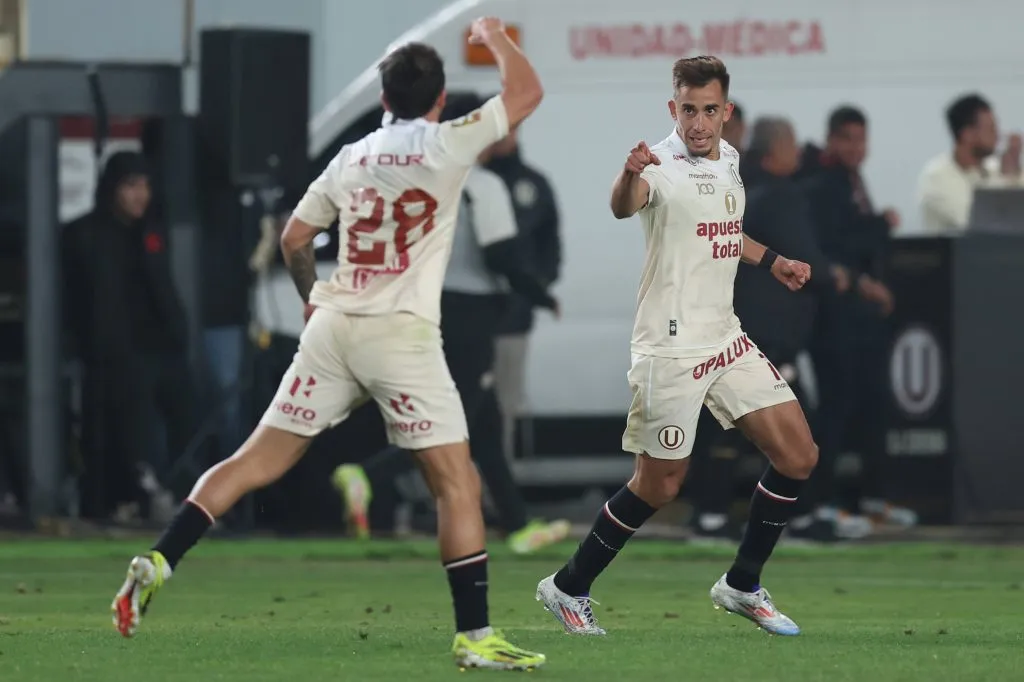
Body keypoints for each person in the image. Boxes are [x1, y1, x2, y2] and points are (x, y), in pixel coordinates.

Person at [111, 20, 548, 670]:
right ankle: (476, 637)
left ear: (382, 99)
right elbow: (527, 92)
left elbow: (293, 238)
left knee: (254, 458)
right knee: (456, 482)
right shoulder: (449, 142)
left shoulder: (353, 156)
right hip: (401, 335)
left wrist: (310, 296)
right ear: (438, 98)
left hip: (333, 325)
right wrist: (494, 34)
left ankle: (159, 557)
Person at [535, 56, 816, 637]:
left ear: (725, 113)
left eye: (709, 110)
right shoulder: (657, 164)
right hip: (670, 348)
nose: (698, 122)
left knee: (798, 454)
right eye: (688, 109)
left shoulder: (731, 160)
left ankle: (741, 584)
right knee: (660, 484)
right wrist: (627, 173)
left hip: (726, 339)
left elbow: (723, 230)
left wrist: (774, 261)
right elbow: (623, 205)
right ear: (673, 108)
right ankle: (567, 586)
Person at [332, 93, 569, 554]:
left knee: (483, 423)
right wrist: (540, 295)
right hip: (470, 313)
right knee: (452, 420)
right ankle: (368, 475)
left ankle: (518, 524)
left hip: (426, 306)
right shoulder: (482, 184)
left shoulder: (420, 177)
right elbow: (502, 255)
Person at [63, 151, 195, 522]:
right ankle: (135, 494)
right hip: (114, 357)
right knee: (130, 419)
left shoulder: (151, 233)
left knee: (190, 408)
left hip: (160, 351)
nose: (141, 195)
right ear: (113, 189)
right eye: (131, 186)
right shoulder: (85, 235)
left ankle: (184, 492)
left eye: (146, 186)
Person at [800, 107, 914, 533]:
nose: (855, 148)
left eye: (861, 139)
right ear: (830, 139)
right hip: (834, 321)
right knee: (836, 411)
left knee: (873, 407)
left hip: (858, 321)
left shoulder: (849, 180)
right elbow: (834, 247)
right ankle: (824, 505)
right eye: (847, 138)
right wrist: (879, 228)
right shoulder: (821, 184)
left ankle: (873, 500)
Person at [483, 121, 562, 462]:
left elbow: (550, 243)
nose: (504, 137)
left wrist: (537, 287)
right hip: (468, 313)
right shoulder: (469, 182)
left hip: (513, 317)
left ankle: (496, 491)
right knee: (465, 403)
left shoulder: (532, 184)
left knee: (505, 405)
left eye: (509, 129)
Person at [918, 93, 1023, 234]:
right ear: (967, 134)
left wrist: (1015, 173)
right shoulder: (937, 177)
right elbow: (982, 223)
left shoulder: (992, 169)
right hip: (959, 254)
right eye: (991, 129)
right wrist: (1007, 178)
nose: (998, 135)